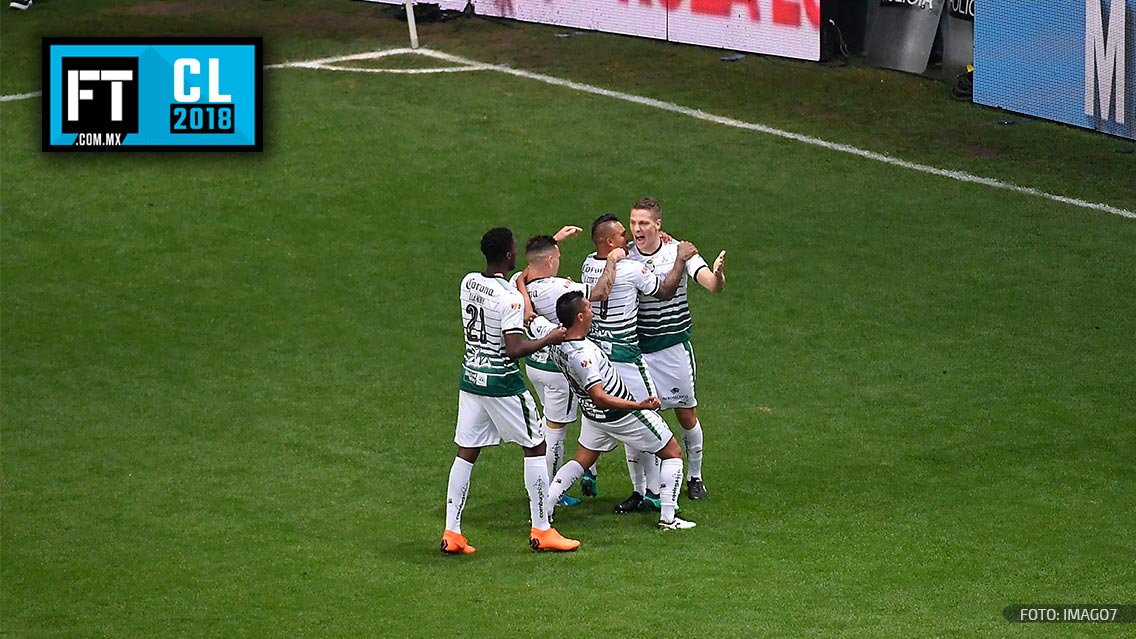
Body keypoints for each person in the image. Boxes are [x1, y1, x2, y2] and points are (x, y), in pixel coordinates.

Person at [441, 227, 579, 555]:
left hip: (471, 379)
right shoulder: (510, 299)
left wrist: (552, 243)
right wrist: (550, 338)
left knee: (467, 452)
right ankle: (542, 529)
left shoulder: (468, 282)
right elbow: (514, 348)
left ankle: (452, 531)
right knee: (536, 446)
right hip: (502, 383)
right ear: (507, 254)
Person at [537, 290, 696, 531]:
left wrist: (521, 281)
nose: (593, 312)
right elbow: (599, 396)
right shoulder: (583, 355)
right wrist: (638, 405)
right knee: (673, 453)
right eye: (589, 308)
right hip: (620, 415)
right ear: (579, 317)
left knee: (581, 460)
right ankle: (668, 517)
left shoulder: (553, 339)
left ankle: (544, 510)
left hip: (593, 417)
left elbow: (531, 320)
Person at [581, 213, 695, 513]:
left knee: (628, 426)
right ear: (609, 242)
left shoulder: (587, 265)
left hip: (598, 361)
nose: (628, 238)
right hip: (628, 358)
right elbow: (667, 291)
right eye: (622, 234)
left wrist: (659, 235)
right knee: (650, 419)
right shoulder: (632, 269)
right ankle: (659, 497)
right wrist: (680, 259)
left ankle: (639, 490)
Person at [627, 197, 726, 500]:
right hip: (639, 352)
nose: (636, 229)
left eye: (643, 223)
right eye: (633, 223)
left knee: (686, 414)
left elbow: (710, 284)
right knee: (638, 419)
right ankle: (643, 490)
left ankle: (694, 477)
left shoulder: (678, 251)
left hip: (672, 350)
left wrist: (719, 275)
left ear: (658, 224)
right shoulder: (626, 256)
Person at [513, 232, 622, 507]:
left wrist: (554, 240)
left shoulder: (522, 284)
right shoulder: (559, 287)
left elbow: (523, 275)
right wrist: (613, 259)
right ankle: (549, 492)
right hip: (557, 370)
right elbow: (600, 292)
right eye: (557, 257)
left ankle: (544, 484)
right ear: (550, 260)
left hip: (534, 365)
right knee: (555, 431)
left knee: (546, 423)